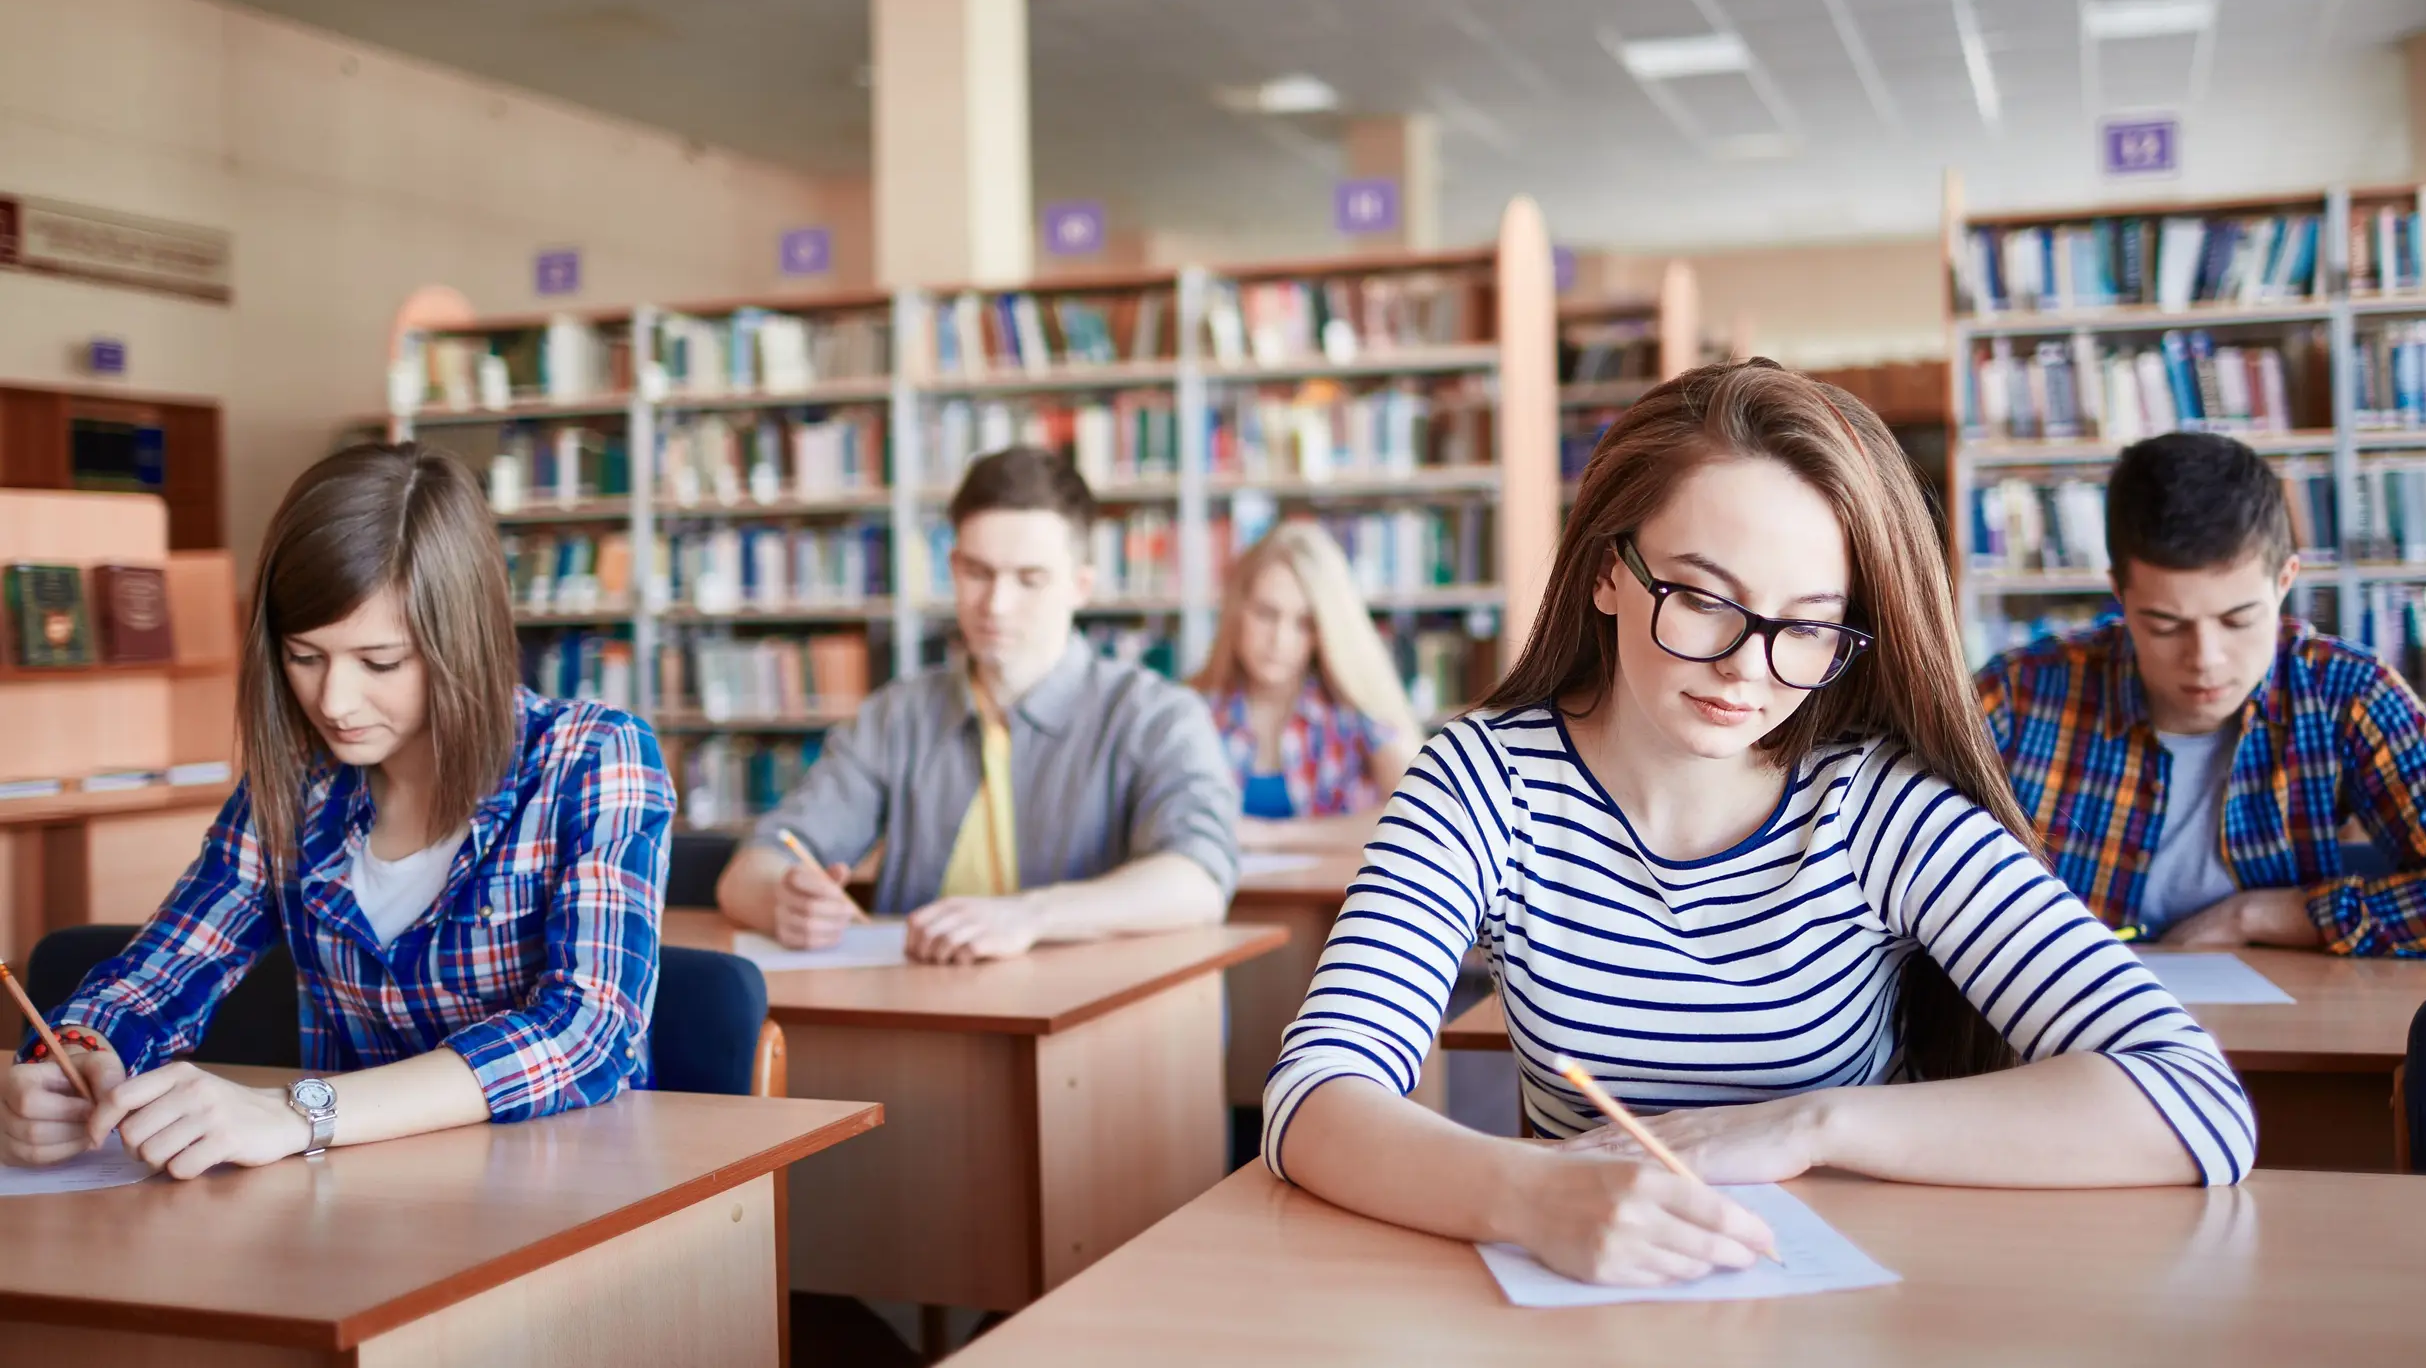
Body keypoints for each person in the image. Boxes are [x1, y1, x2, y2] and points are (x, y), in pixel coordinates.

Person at [1263, 361, 2254, 1288]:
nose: (1748, 666)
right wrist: (1527, 1192)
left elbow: (2192, 1102)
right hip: (1581, 1300)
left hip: (1835, 1301)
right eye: (1702, 597)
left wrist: (1806, 1125)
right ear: (1609, 571)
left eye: (1808, 623)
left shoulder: (1878, 808)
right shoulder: (1482, 782)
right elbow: (1316, 1091)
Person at [0, 444, 673, 1179]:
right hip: (350, 1204)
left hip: (564, 1195)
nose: (334, 702)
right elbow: (167, 968)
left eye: (379, 662)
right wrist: (79, 1053)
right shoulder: (296, 781)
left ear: (464, 640)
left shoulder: (594, 756)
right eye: (305, 656)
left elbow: (589, 1031)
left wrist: (298, 1113)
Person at [1977, 431, 2426, 957]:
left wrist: (2254, 916)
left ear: (2285, 581)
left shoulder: (2346, 693)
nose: (2206, 658)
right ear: (2119, 594)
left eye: (2239, 619)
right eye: (2166, 625)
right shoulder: (2019, 694)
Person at [717, 446, 1239, 963]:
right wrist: (782, 901)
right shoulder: (895, 716)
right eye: (978, 573)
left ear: (1081, 586)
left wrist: (1030, 915)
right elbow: (749, 870)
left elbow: (1198, 879)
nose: (997, 605)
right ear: (952, 566)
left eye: (1029, 579)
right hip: (922, 1012)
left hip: (1090, 1023)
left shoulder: (1159, 716)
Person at [1191, 522, 1423, 850]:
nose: (1279, 640)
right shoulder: (1193, 712)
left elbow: (1420, 814)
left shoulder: (1355, 711)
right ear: (1237, 611)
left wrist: (1273, 836)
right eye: (1266, 614)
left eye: (1304, 623)